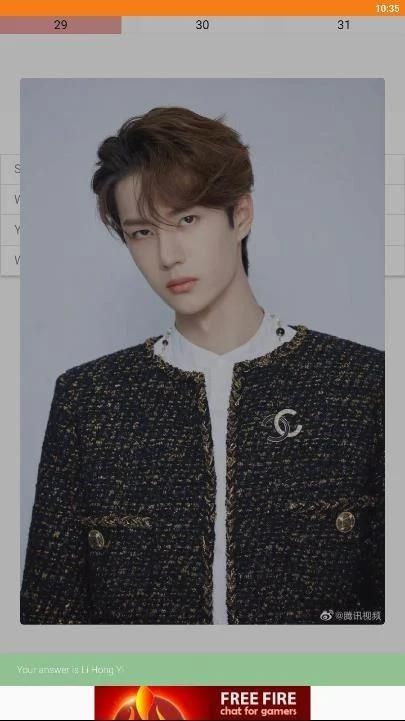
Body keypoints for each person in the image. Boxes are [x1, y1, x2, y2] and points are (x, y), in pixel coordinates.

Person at [20, 106, 384, 625]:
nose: (168, 255)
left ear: (241, 215)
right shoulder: (89, 399)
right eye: (142, 232)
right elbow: (49, 618)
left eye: (187, 219)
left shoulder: (365, 385)